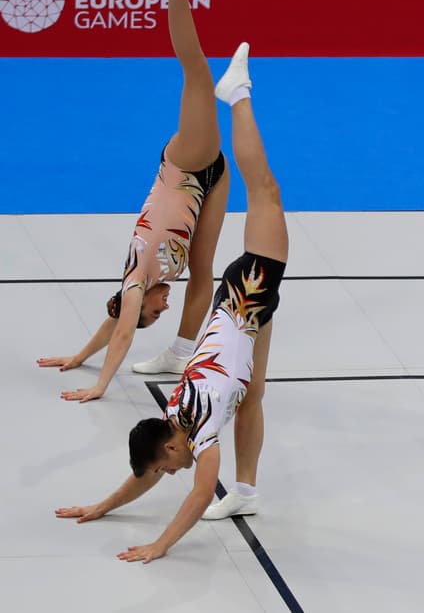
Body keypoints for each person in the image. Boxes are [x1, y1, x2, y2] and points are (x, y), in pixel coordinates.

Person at [55, 42, 290, 561]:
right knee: (251, 398)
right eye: (166, 473)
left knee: (265, 191)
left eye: (166, 468)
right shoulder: (180, 419)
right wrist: (100, 507)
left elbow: (201, 491)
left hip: (246, 294)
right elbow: (145, 476)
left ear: (170, 445)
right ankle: (247, 493)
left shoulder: (197, 430)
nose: (170, 475)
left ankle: (238, 96)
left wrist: (160, 546)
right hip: (244, 314)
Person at [39, 0, 231, 400]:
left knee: (199, 76)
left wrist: (99, 385)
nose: (161, 309)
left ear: (137, 305)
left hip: (183, 169)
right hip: (212, 180)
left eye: (153, 314)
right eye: (162, 315)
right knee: (204, 269)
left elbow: (121, 331)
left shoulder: (135, 282)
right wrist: (78, 357)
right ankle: (182, 350)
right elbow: (114, 324)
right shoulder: (151, 284)